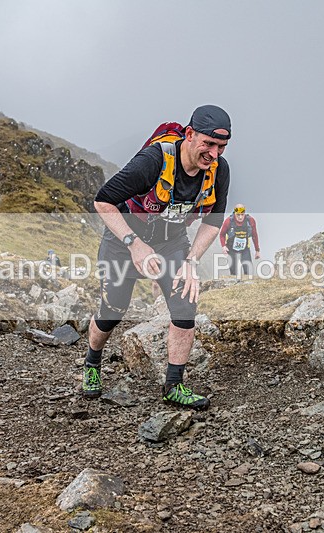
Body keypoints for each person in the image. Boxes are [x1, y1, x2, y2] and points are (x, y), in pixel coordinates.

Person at [83, 104, 232, 410]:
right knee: (112, 311)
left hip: (171, 242)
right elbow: (103, 201)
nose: (214, 154)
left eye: (221, 147)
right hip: (124, 240)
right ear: (189, 135)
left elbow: (213, 221)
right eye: (208, 144)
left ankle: (173, 387)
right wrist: (134, 244)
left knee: (185, 306)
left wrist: (191, 261)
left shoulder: (219, 171)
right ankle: (92, 363)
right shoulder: (154, 160)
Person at [219, 204, 260, 276]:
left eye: (242, 214)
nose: (240, 217)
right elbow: (222, 235)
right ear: (235, 213)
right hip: (231, 250)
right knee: (233, 273)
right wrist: (223, 246)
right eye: (238, 215)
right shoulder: (228, 221)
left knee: (248, 271)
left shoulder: (250, 221)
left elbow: (254, 235)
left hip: (245, 249)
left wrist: (257, 250)